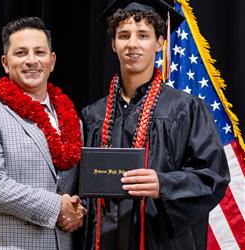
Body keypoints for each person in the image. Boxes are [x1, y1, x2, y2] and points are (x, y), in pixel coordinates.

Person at [80, 0, 230, 249]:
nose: (133, 44)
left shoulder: (186, 109)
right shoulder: (93, 115)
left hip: (160, 239)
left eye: (143, 35)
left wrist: (164, 184)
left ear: (160, 43)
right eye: (124, 35)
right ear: (113, 45)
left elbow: (213, 177)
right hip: (104, 240)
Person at [0, 16, 86, 250]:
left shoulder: (73, 121)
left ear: (52, 60)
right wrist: (56, 207)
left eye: (39, 52)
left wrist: (79, 210)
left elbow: (76, 188)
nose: (31, 61)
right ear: (5, 63)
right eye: (20, 53)